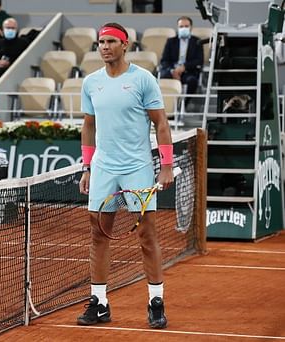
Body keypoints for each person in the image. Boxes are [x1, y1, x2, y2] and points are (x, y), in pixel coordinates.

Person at [78, 22, 174, 329]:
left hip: (137, 168)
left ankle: (155, 301)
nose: (104, 46)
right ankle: (99, 303)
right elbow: (89, 126)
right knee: (98, 234)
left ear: (125, 45)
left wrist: (167, 164)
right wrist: (87, 168)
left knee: (147, 235)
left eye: (110, 41)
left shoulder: (143, 80)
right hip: (103, 167)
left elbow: (161, 124)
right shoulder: (91, 83)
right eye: (100, 42)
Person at [159, 16, 203, 96]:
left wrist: (184, 67)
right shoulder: (171, 41)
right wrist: (173, 71)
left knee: (192, 81)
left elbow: (199, 60)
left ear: (191, 27)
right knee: (164, 76)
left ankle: (183, 105)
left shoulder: (197, 41)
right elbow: (164, 60)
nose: (184, 28)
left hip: (189, 71)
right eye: (181, 26)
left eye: (186, 26)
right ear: (177, 27)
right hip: (172, 71)